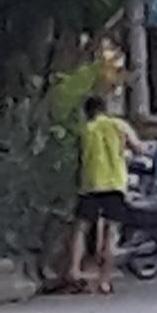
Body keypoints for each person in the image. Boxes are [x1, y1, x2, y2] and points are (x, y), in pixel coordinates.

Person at [62, 94, 135, 295]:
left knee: (81, 228)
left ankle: (74, 270)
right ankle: (104, 280)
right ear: (105, 108)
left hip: (90, 185)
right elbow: (138, 146)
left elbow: (76, 156)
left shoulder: (85, 129)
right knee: (111, 233)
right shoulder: (118, 125)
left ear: (88, 112)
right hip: (115, 185)